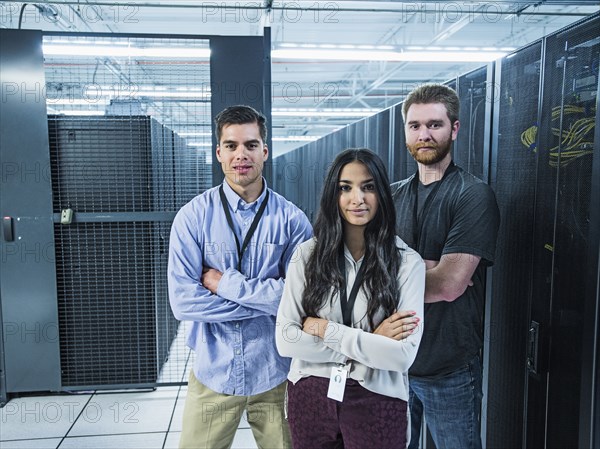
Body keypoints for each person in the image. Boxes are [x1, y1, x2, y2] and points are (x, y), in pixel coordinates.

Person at [168, 105, 312, 449]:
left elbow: (302, 297)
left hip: (276, 372)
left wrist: (224, 285)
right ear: (219, 153)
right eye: (231, 146)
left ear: (265, 150)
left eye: (250, 144)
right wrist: (266, 303)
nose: (241, 155)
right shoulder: (192, 218)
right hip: (213, 372)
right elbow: (183, 302)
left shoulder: (292, 221)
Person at [276, 148, 425, 449]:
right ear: (334, 195)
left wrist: (326, 330)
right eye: (345, 188)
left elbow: (402, 356)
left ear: (382, 193)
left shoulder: (408, 264)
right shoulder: (306, 256)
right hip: (310, 395)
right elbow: (286, 340)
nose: (357, 198)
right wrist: (371, 340)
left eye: (368, 187)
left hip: (378, 398)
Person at [392, 84, 500, 449]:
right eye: (415, 125)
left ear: (454, 129)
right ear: (405, 130)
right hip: (393, 363)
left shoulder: (472, 195)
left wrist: (397, 269)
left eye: (435, 125)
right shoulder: (391, 196)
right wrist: (427, 267)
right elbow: (359, 271)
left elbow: (450, 284)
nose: (424, 134)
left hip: (449, 367)